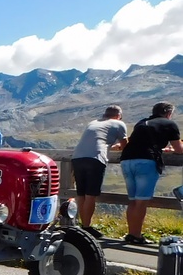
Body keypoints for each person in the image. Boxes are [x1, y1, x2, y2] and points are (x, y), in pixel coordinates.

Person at [119, 101, 183, 244]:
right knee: (141, 201)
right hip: (145, 161)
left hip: (127, 160)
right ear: (168, 113)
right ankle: (137, 236)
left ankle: (131, 234)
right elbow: (179, 149)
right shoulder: (169, 124)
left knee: (133, 200)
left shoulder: (142, 122)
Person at [71, 105, 128, 238]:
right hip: (95, 159)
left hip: (77, 157)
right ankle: (86, 227)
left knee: (81, 193)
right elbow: (126, 146)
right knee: (91, 194)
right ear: (118, 115)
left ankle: (81, 225)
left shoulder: (93, 123)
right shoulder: (119, 123)